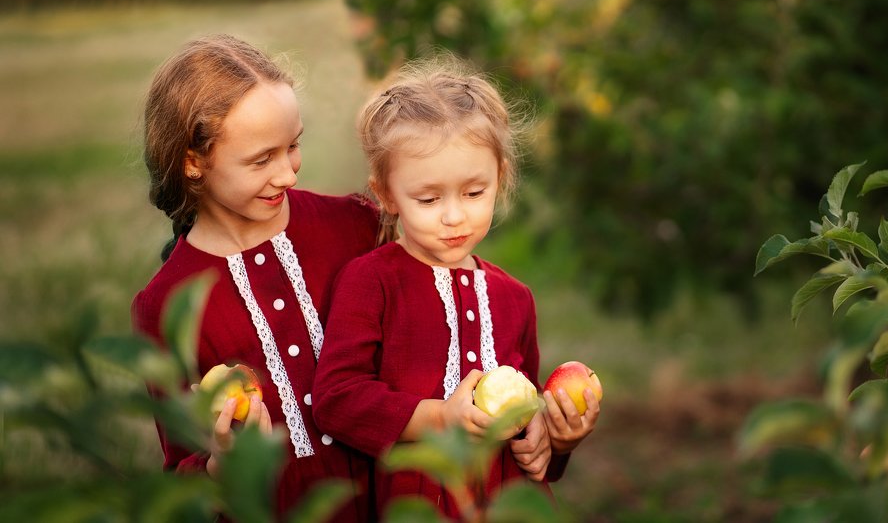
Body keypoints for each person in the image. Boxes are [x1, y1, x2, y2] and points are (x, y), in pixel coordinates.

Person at [311, 54, 599, 519]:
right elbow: (336, 399)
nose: (454, 216)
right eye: (427, 198)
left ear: (499, 178)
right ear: (385, 194)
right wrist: (437, 417)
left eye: (474, 192)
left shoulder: (515, 299)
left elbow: (526, 426)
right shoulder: (373, 280)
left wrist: (553, 439)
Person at [132, 34, 380, 521]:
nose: (288, 174)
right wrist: (219, 465)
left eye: (293, 146)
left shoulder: (357, 227)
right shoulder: (167, 304)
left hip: (392, 498)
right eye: (261, 159)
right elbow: (180, 470)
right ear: (193, 162)